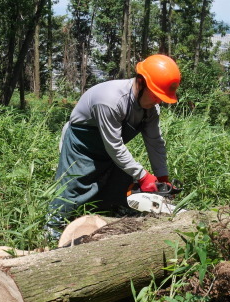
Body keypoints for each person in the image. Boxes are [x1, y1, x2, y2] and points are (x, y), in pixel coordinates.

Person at [46, 54, 181, 239]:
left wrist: (161, 176)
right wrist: (143, 176)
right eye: (156, 95)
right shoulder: (110, 100)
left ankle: (108, 217)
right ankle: (52, 227)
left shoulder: (151, 109)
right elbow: (115, 146)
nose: (158, 101)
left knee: (119, 181)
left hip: (109, 147)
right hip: (82, 143)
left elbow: (155, 142)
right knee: (74, 185)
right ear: (141, 83)